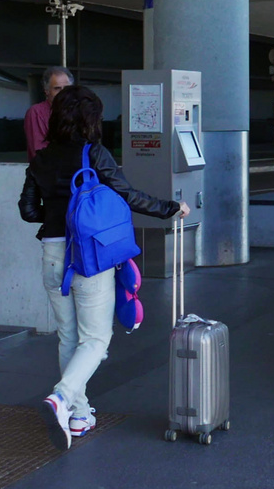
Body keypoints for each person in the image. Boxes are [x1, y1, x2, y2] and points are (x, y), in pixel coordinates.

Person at [19, 85, 187, 451]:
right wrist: (171, 208)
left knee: (68, 337)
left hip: (52, 252)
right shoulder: (93, 153)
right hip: (88, 256)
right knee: (95, 339)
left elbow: (28, 211)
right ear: (90, 120)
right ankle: (62, 397)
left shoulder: (41, 159)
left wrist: (56, 211)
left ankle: (79, 415)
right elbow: (128, 195)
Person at [23, 67, 73, 158]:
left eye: (66, 88)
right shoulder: (36, 113)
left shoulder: (76, 111)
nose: (63, 92)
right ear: (47, 91)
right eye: (57, 88)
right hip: (49, 170)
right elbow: (39, 152)